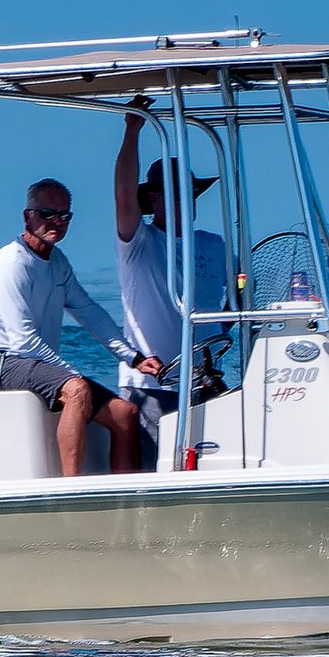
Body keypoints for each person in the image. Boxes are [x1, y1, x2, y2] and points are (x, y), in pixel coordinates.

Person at [0, 177, 163, 475]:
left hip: (31, 362)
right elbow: (23, 342)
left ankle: (128, 501)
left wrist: (134, 358)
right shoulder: (13, 264)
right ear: (28, 216)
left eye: (64, 216)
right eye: (48, 214)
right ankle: (70, 490)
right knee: (77, 390)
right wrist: (73, 375)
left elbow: (89, 311)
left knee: (126, 414)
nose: (56, 222)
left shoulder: (57, 262)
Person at [113, 109, 231, 455]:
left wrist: (225, 325)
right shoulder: (139, 242)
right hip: (152, 385)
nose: (186, 200)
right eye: (176, 193)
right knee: (156, 467)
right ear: (153, 198)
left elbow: (237, 295)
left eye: (190, 192)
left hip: (206, 381)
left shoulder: (213, 243)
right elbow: (122, 198)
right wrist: (132, 131)